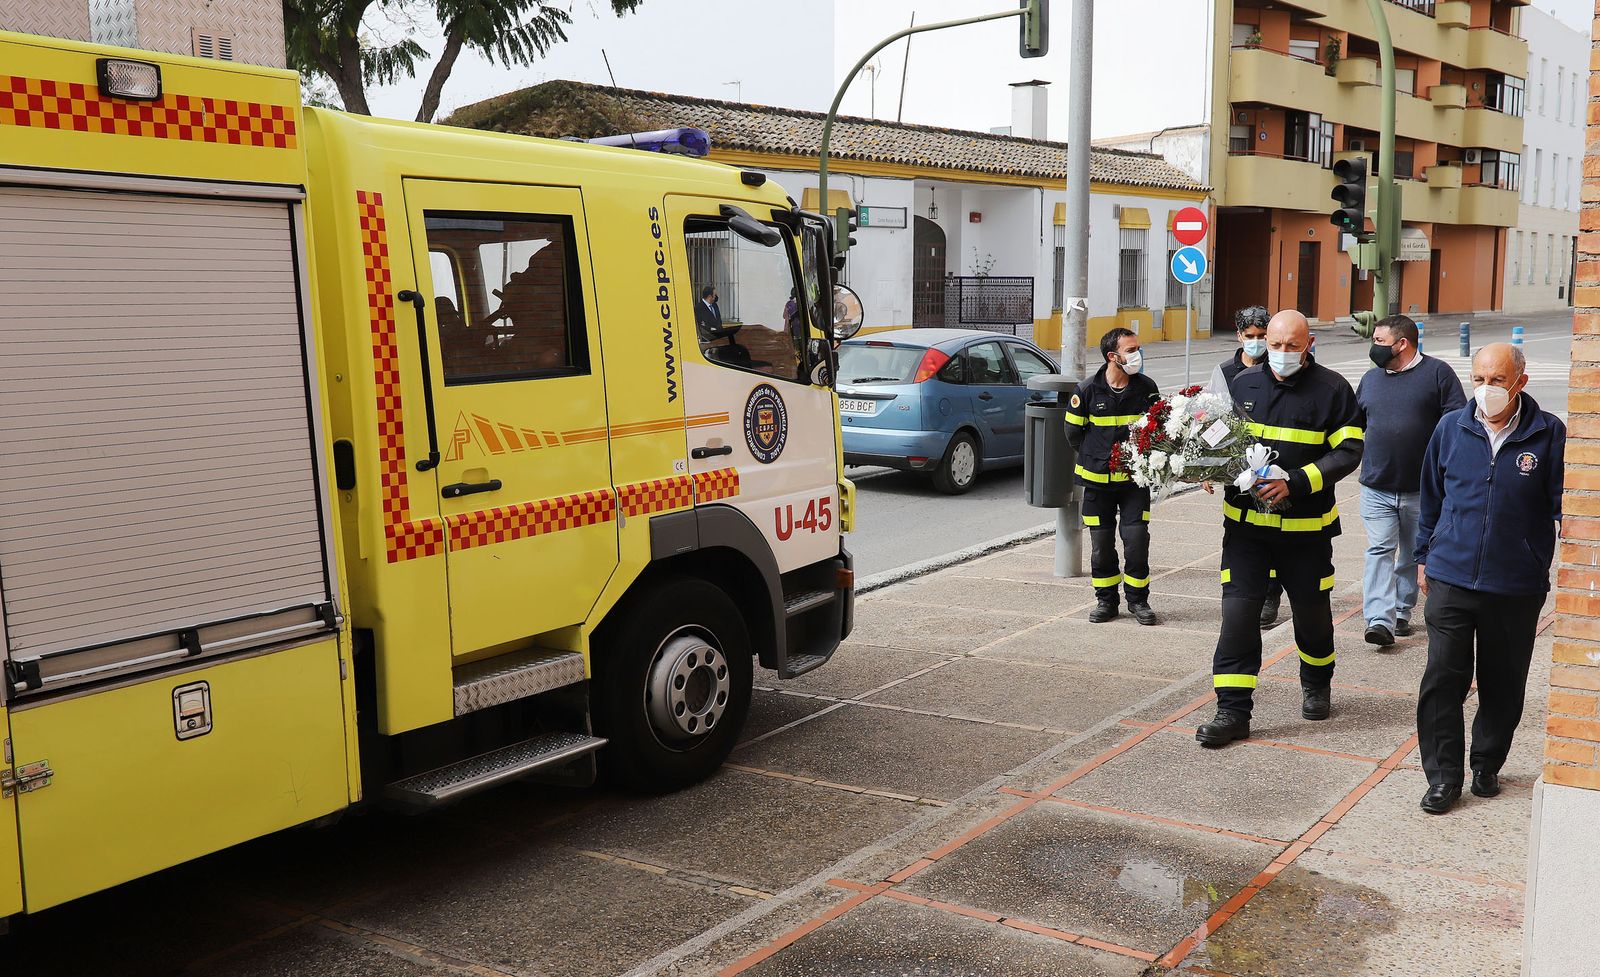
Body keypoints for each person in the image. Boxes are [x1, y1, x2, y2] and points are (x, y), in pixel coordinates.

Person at [1196, 310, 1365, 746]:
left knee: (1311, 614)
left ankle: (1316, 681)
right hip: (1246, 532)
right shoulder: (1242, 384)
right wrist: (1205, 464)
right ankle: (1232, 712)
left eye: (1292, 345)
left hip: (1306, 531)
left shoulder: (1334, 390)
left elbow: (1348, 452)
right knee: (1238, 617)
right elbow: (1218, 436)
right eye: (1275, 344)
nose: (1282, 353)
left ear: (1309, 343)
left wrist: (1296, 480)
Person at [1412, 342, 1564, 814]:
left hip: (1514, 585)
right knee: (1442, 678)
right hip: (1451, 577)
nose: (1485, 390)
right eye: (1478, 379)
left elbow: (1566, 509)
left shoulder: (1549, 434)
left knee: (1503, 682)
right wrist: (1423, 556)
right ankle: (1442, 777)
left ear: (1520, 381)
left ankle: (1486, 764)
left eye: (1496, 380)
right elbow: (1431, 497)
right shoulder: (1450, 426)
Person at [1355, 315, 1467, 648]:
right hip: (1376, 485)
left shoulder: (1437, 374)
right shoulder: (1371, 379)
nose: (1373, 347)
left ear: (1401, 343)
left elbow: (1457, 422)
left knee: (1411, 554)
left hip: (1423, 489)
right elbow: (1353, 424)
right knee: (1379, 549)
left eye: (1378, 341)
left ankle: (1402, 611)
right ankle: (1379, 619)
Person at [1064, 328, 1161, 626]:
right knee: (1101, 546)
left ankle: (1138, 601)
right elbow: (1073, 434)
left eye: (1138, 348)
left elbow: (1158, 430)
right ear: (1112, 356)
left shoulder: (1146, 387)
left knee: (1136, 541)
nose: (1137, 355)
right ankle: (1106, 601)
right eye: (1131, 350)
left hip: (1134, 483)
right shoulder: (1087, 391)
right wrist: (1098, 458)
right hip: (1096, 484)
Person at [1206, 305, 1285, 629]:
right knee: (1241, 532)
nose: (1256, 342)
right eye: (1250, 336)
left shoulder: (1279, 367)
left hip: (1273, 466)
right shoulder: (1224, 372)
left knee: (1274, 533)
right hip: (1236, 468)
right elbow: (1210, 421)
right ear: (1239, 336)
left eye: (1262, 336)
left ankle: (1270, 595)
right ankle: (1242, 594)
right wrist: (1208, 469)